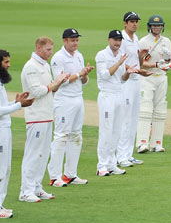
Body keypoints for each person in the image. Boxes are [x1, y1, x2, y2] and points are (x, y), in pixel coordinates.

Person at [0, 49, 34, 218]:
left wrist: (16, 102)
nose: (9, 65)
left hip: (3, 129)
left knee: (4, 168)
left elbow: (2, 106)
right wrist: (20, 106)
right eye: (6, 62)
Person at [19, 37, 69, 203]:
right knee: (33, 154)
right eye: (47, 49)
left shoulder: (45, 65)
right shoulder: (31, 67)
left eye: (51, 49)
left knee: (43, 154)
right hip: (36, 117)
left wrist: (59, 83)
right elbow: (36, 91)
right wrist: (54, 84)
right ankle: (26, 191)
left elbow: (50, 90)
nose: (50, 53)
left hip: (47, 115)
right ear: (38, 47)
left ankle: (36, 187)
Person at [47, 29, 94, 187]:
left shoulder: (79, 55)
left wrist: (85, 73)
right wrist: (80, 74)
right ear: (65, 41)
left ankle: (70, 175)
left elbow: (84, 81)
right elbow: (61, 81)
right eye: (72, 40)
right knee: (61, 136)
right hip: (64, 100)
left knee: (76, 136)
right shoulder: (58, 58)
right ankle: (54, 176)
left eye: (77, 40)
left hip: (78, 98)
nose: (75, 43)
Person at [95, 30, 137, 176]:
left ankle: (111, 164)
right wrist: (119, 63)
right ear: (109, 40)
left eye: (119, 40)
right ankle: (101, 166)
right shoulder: (101, 55)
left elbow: (122, 79)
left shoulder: (120, 55)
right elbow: (105, 75)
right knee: (106, 130)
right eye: (115, 39)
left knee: (116, 130)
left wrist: (128, 72)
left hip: (119, 94)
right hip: (107, 96)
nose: (118, 42)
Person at [137, 15, 171, 153]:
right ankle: (142, 143)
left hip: (162, 77)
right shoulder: (143, 42)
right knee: (145, 109)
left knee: (160, 110)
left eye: (158, 26)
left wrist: (168, 63)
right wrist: (156, 64)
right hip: (147, 77)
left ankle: (157, 143)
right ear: (149, 26)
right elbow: (140, 63)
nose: (156, 28)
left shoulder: (167, 41)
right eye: (154, 25)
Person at [117, 12, 151, 167]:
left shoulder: (135, 38)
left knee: (134, 118)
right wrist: (136, 70)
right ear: (125, 23)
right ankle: (120, 156)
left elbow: (136, 62)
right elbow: (118, 61)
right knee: (125, 118)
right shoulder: (121, 40)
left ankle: (128, 154)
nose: (135, 24)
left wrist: (141, 58)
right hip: (126, 82)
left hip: (136, 80)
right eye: (131, 21)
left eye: (136, 21)